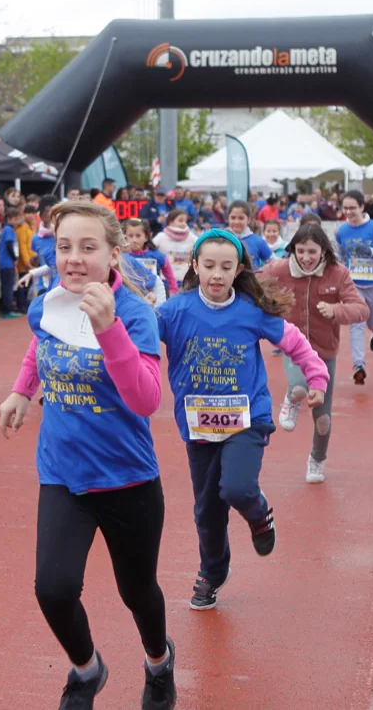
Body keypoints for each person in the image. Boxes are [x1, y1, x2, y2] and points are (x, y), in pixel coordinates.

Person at [0, 200, 177, 710]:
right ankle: (87, 669)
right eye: (64, 247)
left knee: (138, 592)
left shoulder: (137, 315)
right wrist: (21, 390)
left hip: (128, 480)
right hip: (62, 475)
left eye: (88, 247)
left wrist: (108, 329)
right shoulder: (47, 304)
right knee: (53, 590)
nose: (73, 259)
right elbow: (40, 343)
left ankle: (159, 663)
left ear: (114, 256)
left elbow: (146, 399)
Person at [156, 229, 328, 610]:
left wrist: (316, 377)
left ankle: (259, 513)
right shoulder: (173, 312)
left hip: (247, 419)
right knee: (207, 511)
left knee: (235, 488)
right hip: (199, 426)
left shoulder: (251, 312)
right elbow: (137, 341)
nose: (217, 274)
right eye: (210, 266)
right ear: (195, 266)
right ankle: (213, 573)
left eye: (226, 267)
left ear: (238, 271)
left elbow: (295, 342)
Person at [260, 223, 368, 482]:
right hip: (293, 347)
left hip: (324, 351)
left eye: (312, 251)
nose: (306, 258)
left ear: (323, 251)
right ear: (292, 250)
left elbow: (361, 309)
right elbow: (250, 286)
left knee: (323, 418)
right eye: (300, 251)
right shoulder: (278, 269)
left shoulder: (337, 273)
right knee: (299, 387)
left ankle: (317, 461)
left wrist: (337, 311)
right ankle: (291, 399)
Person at [334, 191, 373, 384]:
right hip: (354, 285)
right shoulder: (341, 231)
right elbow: (340, 257)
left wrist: (370, 251)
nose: (348, 212)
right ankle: (358, 365)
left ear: (362, 207)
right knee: (356, 322)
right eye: (345, 208)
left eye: (352, 208)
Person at [124, 218, 178, 298]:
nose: (134, 240)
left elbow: (170, 277)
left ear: (146, 237)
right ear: (125, 237)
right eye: (130, 236)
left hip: (154, 296)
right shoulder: (122, 256)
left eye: (138, 236)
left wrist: (173, 291)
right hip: (130, 296)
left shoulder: (157, 255)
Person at [152, 208, 197, 285]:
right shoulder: (161, 237)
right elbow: (150, 250)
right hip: (166, 280)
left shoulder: (192, 237)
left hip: (186, 280)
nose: (183, 223)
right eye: (180, 220)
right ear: (170, 222)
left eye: (185, 221)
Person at [226, 200, 273, 270]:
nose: (236, 222)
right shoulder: (221, 239)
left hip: (251, 280)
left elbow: (273, 263)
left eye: (241, 218)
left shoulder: (257, 241)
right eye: (233, 218)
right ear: (228, 218)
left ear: (249, 219)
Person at [0, 206, 23, 318]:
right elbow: (9, 245)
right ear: (10, 219)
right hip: (7, 262)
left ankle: (5, 308)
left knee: (6, 286)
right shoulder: (9, 230)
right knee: (8, 286)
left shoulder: (7, 229)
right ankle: (6, 309)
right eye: (16, 219)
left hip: (5, 262)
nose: (18, 221)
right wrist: (15, 258)